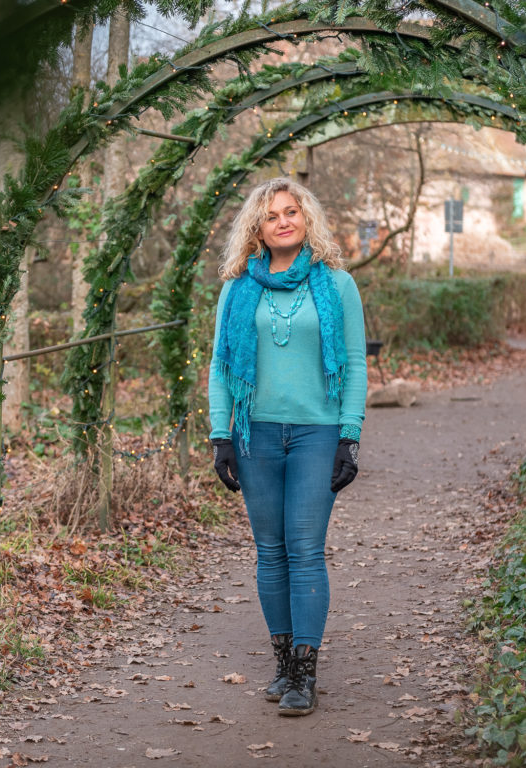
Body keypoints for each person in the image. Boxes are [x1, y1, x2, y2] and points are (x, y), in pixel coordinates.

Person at [207, 177, 367, 716]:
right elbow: (221, 366)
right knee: (270, 551)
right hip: (256, 435)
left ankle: (305, 673)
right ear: (258, 226)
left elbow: (356, 362)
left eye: (291, 211)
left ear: (306, 220)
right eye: (272, 214)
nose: (283, 220)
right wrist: (220, 435)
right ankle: (282, 664)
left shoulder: (337, 284)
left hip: (317, 434)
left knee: (304, 549)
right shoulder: (236, 288)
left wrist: (349, 435)